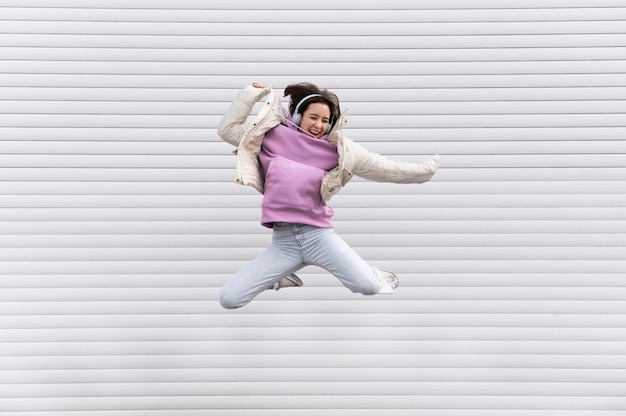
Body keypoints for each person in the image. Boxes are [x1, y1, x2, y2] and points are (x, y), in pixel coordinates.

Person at [217, 82, 440, 309]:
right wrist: (251, 94)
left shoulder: (340, 150)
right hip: (283, 243)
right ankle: (278, 276)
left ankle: (366, 272)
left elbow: (386, 168)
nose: (319, 125)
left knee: (373, 287)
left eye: (325, 121)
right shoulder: (270, 136)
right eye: (314, 117)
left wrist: (425, 172)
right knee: (229, 300)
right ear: (297, 116)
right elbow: (227, 130)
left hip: (318, 237)